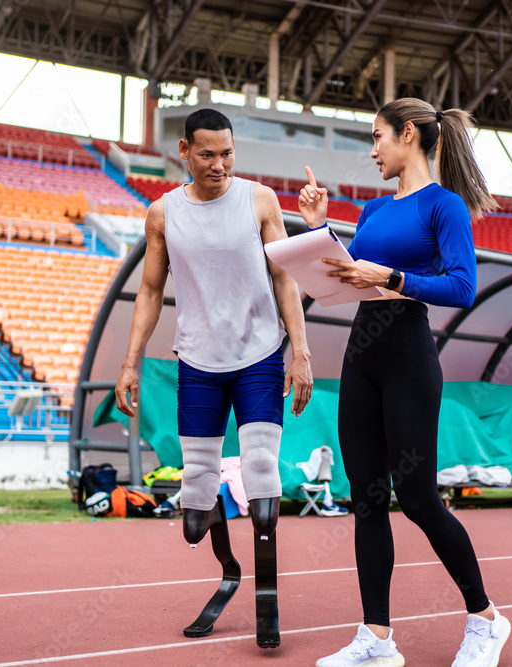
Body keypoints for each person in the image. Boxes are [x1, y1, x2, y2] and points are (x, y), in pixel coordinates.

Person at [298, 99, 510, 667]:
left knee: (417, 498)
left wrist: (389, 276)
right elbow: (344, 280)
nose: (372, 151)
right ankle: (377, 639)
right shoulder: (369, 213)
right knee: (365, 500)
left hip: (409, 357)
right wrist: (318, 228)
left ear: (408, 134)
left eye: (377, 138)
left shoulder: (445, 207)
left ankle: (486, 619)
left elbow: (462, 288)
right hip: (360, 356)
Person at [114, 108, 314, 648]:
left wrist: (300, 352)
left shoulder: (259, 200)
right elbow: (151, 292)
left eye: (227, 153)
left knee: (260, 469)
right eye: (207, 154)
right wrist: (131, 362)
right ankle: (229, 568)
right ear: (184, 152)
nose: (220, 164)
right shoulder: (162, 213)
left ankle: (266, 596)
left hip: (258, 355)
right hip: (198, 361)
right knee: (194, 510)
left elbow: (285, 279)